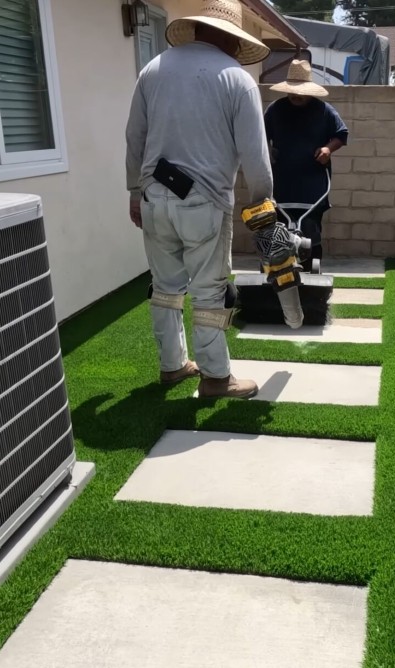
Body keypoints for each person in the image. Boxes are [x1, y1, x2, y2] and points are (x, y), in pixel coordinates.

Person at [124, 0, 273, 400]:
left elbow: (135, 138)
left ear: (197, 29)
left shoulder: (153, 69)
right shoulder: (236, 78)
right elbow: (256, 158)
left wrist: (135, 193)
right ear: (232, 38)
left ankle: (172, 366)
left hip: (155, 195)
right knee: (209, 292)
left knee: (165, 288)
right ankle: (215, 378)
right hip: (204, 202)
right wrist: (264, 208)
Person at [264, 60, 349, 272]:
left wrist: (328, 149)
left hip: (313, 184)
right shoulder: (275, 110)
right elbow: (261, 136)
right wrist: (268, 151)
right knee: (278, 229)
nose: (296, 96)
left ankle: (312, 268)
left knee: (310, 229)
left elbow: (341, 134)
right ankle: (275, 271)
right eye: (292, 91)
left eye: (300, 92)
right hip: (281, 182)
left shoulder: (324, 111)